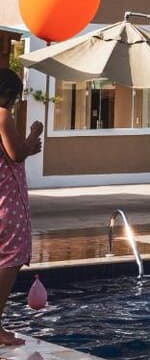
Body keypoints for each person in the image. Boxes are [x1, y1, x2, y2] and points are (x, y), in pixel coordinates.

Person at [0, 69, 41, 348]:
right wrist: (34, 134)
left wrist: (27, 146)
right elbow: (16, 154)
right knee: (10, 259)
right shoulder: (2, 114)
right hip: (8, 201)